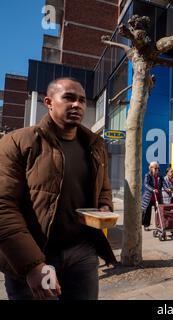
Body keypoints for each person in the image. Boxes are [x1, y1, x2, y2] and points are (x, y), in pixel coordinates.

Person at [0, 77, 116, 300]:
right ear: (49, 102)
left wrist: (104, 205)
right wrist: (32, 265)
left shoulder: (94, 145)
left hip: (83, 253)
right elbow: (3, 206)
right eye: (69, 98)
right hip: (37, 256)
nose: (77, 105)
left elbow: (104, 186)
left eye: (82, 100)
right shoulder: (17, 142)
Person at [141, 161, 164, 231]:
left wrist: (168, 188)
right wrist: (153, 189)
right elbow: (146, 184)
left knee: (159, 212)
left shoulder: (160, 176)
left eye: (158, 168)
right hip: (149, 197)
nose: (157, 169)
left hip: (157, 196)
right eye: (155, 168)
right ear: (151, 168)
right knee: (147, 212)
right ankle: (146, 225)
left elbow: (163, 184)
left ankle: (159, 225)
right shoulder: (147, 175)